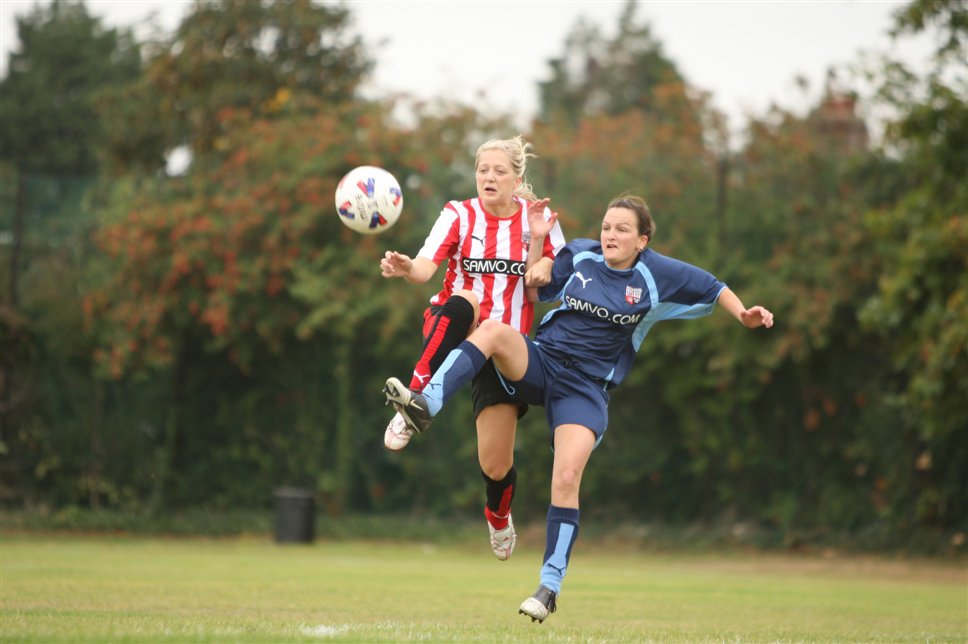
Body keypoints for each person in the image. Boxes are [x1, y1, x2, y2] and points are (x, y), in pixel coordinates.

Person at [384, 194, 774, 623]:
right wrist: (539, 247)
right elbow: (537, 286)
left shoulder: (657, 273)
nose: (610, 235)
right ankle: (424, 405)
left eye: (622, 229)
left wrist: (743, 316)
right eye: (607, 226)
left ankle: (548, 587)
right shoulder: (581, 253)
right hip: (544, 361)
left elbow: (713, 286)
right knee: (494, 331)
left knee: (567, 477)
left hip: (586, 390)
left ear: (642, 240)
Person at [379, 135, 566, 561]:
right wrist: (407, 267)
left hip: (504, 351)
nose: (489, 177)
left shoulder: (541, 220)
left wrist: (542, 254)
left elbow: (543, 287)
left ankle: (498, 516)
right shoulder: (458, 215)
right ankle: (415, 404)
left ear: (517, 178)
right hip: (455, 329)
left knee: (495, 466)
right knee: (465, 298)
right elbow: (425, 270)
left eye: (500, 171)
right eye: (483, 170)